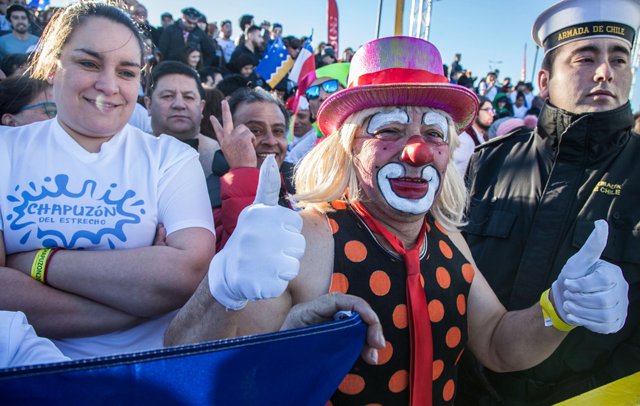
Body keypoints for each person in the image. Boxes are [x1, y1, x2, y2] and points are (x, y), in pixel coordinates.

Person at [165, 36, 628, 405]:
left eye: (433, 133)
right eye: (388, 130)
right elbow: (187, 369)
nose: (416, 152)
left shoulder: (449, 244)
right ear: (349, 144)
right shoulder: (308, 236)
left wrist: (557, 311)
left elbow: (498, 346)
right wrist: (221, 289)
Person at [0, 2, 216, 360]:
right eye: (88, 63)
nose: (108, 85)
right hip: (23, 374)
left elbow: (186, 272)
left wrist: (35, 262)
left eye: (127, 72)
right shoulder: (5, 149)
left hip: (147, 373)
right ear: (53, 67)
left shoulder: (171, 158)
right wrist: (137, 302)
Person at [462, 0, 640, 404]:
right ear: (544, 80)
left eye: (619, 58)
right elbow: (454, 276)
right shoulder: (490, 161)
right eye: (585, 57)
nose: (604, 72)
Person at [205, 88, 295, 249]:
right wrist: (242, 170)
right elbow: (252, 252)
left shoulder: (299, 178)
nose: (271, 141)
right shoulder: (210, 195)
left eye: (278, 131)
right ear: (228, 137)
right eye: (255, 130)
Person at [145, 61, 220, 179]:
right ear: (149, 105)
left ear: (201, 107)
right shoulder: (130, 154)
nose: (179, 105)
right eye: (167, 96)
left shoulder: (220, 155)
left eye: (188, 97)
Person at [453, 96, 494, 176]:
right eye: (488, 110)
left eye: (492, 110)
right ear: (475, 112)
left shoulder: (481, 135)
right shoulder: (464, 139)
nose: (492, 114)